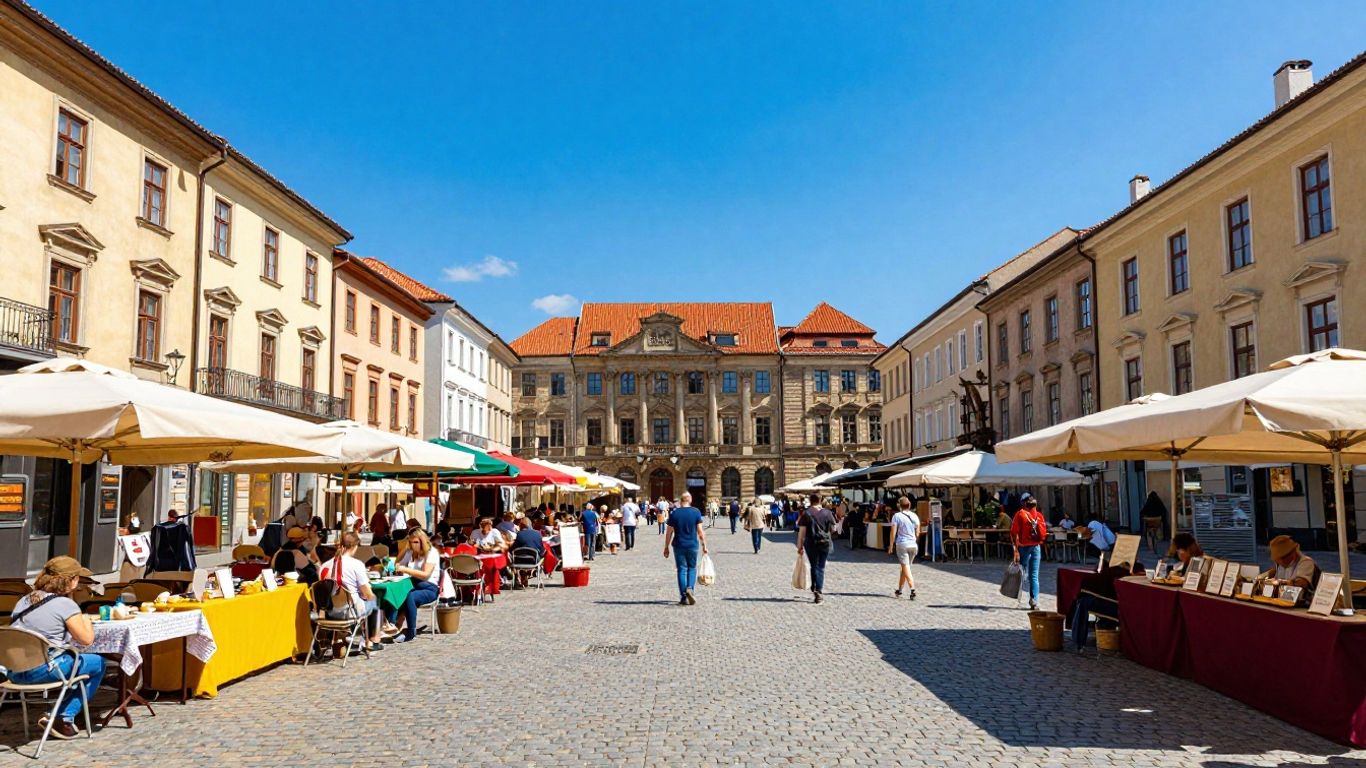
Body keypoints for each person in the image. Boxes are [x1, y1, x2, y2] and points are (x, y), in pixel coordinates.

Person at [7, 556, 104, 739]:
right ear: (69, 580)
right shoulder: (65, 605)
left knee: (74, 662)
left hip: (15, 672)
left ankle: (62, 711)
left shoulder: (23, 601)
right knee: (97, 663)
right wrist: (86, 620)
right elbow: (86, 640)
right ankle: (62, 716)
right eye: (77, 577)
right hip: (43, 671)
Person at [318, 531, 384, 651]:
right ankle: (372, 641)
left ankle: (340, 639)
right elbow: (367, 594)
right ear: (355, 546)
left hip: (328, 612)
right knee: (374, 600)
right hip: (349, 612)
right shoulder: (356, 564)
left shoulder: (324, 566)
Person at [385, 529, 441, 643]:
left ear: (422, 541)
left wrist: (406, 569)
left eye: (415, 542)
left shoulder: (431, 553)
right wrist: (405, 549)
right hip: (413, 584)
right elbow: (398, 562)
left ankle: (410, 632)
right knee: (396, 589)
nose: (413, 545)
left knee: (410, 595)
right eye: (411, 542)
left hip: (429, 587)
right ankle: (391, 623)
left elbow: (425, 575)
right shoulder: (410, 552)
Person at [662, 492, 707, 605]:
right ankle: (690, 589)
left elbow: (669, 533)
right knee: (692, 568)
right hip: (692, 545)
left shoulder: (675, 513)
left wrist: (666, 547)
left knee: (681, 569)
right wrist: (704, 546)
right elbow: (700, 532)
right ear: (690, 500)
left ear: (681, 500)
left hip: (679, 545)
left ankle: (683, 596)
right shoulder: (696, 512)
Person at [796, 494, 838, 604]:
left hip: (811, 543)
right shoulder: (828, 513)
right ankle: (819, 591)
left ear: (810, 501)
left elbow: (802, 533)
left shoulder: (806, 513)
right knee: (821, 567)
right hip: (825, 543)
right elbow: (834, 528)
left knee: (814, 566)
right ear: (821, 500)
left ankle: (815, 589)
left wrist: (800, 546)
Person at [1011, 495, 1048, 610]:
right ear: (1035, 505)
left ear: (1025, 504)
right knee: (1034, 575)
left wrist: (1015, 548)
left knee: (1021, 572)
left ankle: (1017, 595)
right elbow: (1044, 533)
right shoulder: (1039, 516)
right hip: (1036, 547)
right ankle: (1034, 600)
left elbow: (1013, 532)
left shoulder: (1020, 514)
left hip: (1024, 547)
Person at [888, 496, 921, 600]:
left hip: (902, 544)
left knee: (905, 567)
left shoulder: (896, 516)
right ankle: (900, 590)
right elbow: (918, 531)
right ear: (909, 505)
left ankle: (913, 589)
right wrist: (914, 539)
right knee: (905, 568)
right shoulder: (915, 516)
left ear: (899, 506)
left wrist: (891, 545)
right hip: (913, 545)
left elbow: (893, 532)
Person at [510, 519, 545, 588]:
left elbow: (513, 548)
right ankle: (532, 572)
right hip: (534, 561)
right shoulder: (537, 533)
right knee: (542, 557)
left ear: (522, 526)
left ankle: (518, 578)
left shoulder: (519, 534)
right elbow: (541, 549)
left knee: (511, 557)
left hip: (519, 561)